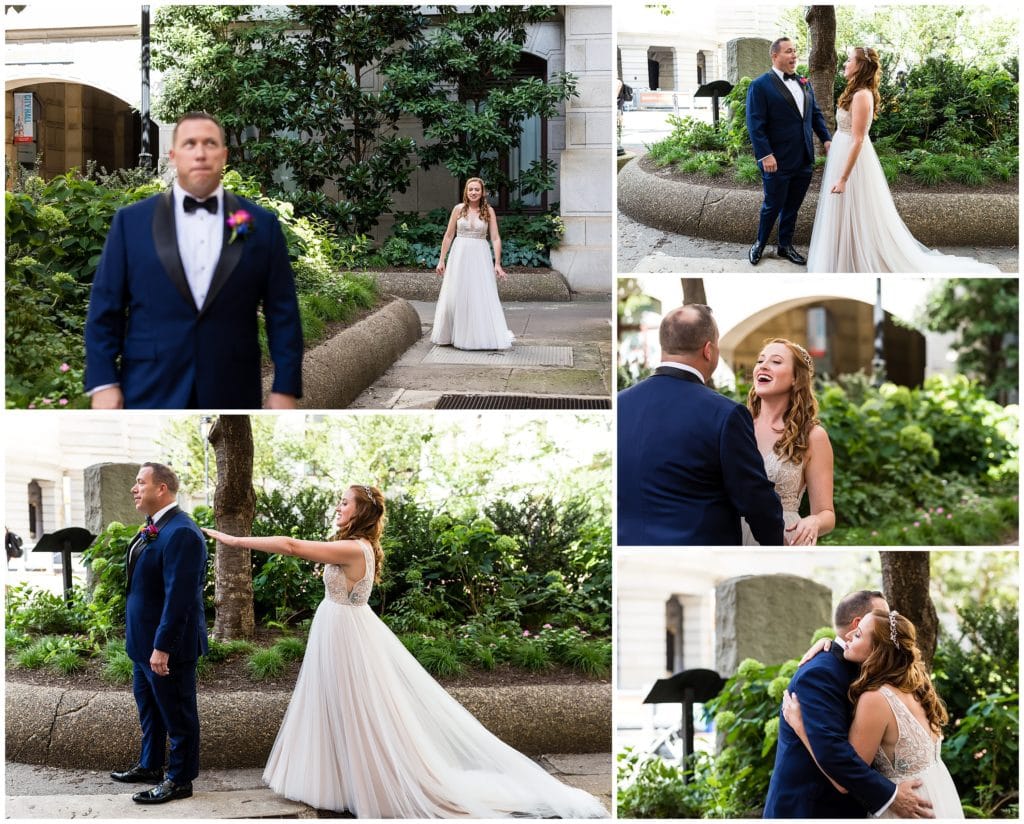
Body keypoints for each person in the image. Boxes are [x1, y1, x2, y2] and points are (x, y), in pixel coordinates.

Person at [202, 485, 607, 818]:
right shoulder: (356, 546)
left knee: (355, 708)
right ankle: (339, 780)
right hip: (339, 628)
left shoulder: (355, 548)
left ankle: (371, 784)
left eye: (345, 502)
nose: (338, 507)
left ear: (361, 513)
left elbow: (291, 545)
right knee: (333, 706)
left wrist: (235, 539)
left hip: (344, 633)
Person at [85, 111, 304, 409]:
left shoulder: (260, 225)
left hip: (232, 387)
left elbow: (283, 312)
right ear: (173, 155)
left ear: (224, 155)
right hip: (150, 387)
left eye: (210, 143)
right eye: (190, 144)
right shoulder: (131, 222)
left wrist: (285, 387)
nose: (200, 153)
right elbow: (104, 309)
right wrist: (103, 383)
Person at [807, 47, 1000, 273]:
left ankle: (855, 261)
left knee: (855, 209)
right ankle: (842, 257)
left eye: (849, 61)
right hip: (842, 151)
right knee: (841, 211)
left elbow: (858, 139)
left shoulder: (861, 95)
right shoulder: (855, 91)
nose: (845, 64)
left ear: (860, 66)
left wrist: (843, 178)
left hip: (853, 161)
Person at [617, 304, 785, 546]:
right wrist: (774, 548)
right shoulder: (725, 414)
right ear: (709, 351)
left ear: (665, 346)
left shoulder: (621, 404)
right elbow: (755, 500)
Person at [764, 590, 934, 819]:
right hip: (811, 810)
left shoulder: (877, 677)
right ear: (857, 624)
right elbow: (834, 753)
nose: (890, 621)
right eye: (882, 616)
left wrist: (802, 728)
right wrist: (891, 796)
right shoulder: (820, 674)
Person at [111, 463, 208, 805]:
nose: (134, 488)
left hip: (168, 647)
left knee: (178, 713)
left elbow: (179, 598)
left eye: (141, 482)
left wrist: (162, 648)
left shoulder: (181, 532)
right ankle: (150, 765)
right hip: (143, 643)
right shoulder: (155, 526)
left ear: (162, 489)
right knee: (150, 710)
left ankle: (180, 779)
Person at [746, 37, 832, 267]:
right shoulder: (760, 85)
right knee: (772, 205)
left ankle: (785, 246)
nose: (794, 55)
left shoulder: (804, 82)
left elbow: (814, 114)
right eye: (788, 51)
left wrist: (826, 139)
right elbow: (755, 124)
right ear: (774, 56)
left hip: (804, 158)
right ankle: (760, 244)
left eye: (795, 51)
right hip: (776, 160)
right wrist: (765, 155)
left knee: (793, 206)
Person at [743, 338, 835, 546]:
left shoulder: (813, 436)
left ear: (796, 378)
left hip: (782, 538)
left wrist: (814, 521)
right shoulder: (738, 426)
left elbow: (826, 514)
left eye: (776, 361)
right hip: (729, 535)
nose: (763, 366)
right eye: (760, 361)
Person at [431, 177, 514, 350]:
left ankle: (478, 335)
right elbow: (448, 235)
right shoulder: (458, 209)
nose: (474, 192)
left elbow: (496, 238)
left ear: (482, 192)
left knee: (478, 293)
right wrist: (441, 260)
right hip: (459, 254)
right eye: (470, 189)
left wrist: (497, 263)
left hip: (480, 255)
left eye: (477, 189)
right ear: (466, 192)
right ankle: (452, 333)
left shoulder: (488, 211)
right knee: (456, 293)